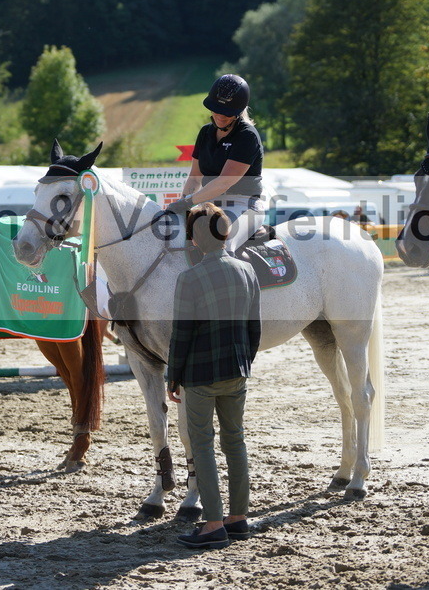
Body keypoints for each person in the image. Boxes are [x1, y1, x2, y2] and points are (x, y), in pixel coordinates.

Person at [167, 203, 261, 550]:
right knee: (235, 441)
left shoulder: (188, 278)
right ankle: (238, 518)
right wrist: (244, 363)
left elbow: (182, 335)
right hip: (237, 371)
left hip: (200, 375)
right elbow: (254, 328)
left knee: (203, 445)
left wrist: (173, 377)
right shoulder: (247, 270)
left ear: (194, 240)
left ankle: (213, 523)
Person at [168, 75, 265, 255]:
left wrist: (187, 202)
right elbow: (195, 178)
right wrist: (183, 206)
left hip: (244, 204)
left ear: (238, 112)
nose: (220, 115)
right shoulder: (205, 132)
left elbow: (223, 183)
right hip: (210, 205)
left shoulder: (247, 136)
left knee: (223, 243)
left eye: (227, 112)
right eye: (216, 109)